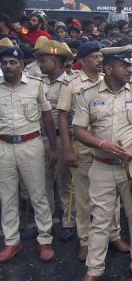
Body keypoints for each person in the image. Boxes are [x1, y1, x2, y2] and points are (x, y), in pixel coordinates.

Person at [71, 46, 132, 281]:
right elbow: (78, 129)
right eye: (124, 65)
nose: (130, 69)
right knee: (99, 218)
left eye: (130, 65)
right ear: (109, 69)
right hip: (101, 165)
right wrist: (101, 144)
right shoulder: (88, 94)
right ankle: (94, 270)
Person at [58, 40, 128, 261]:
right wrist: (67, 149)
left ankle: (114, 234)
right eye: (94, 57)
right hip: (84, 147)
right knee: (84, 196)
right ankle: (86, 241)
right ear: (82, 60)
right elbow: (63, 117)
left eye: (100, 57)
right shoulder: (72, 84)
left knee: (112, 193)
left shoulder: (108, 80)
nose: (99, 61)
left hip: (109, 148)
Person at [0, 46, 58, 262]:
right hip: (4, 146)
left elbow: (47, 117)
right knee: (7, 197)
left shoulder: (35, 85)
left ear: (22, 64)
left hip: (31, 143)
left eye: (13, 62)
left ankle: (45, 239)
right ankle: (12, 242)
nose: (8, 66)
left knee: (38, 194)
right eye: (4, 63)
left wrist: (53, 148)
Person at [36, 40, 74, 240]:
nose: (41, 64)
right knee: (43, 182)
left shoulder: (70, 84)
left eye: (45, 60)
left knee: (64, 181)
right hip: (41, 137)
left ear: (57, 62)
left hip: (61, 138)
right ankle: (47, 220)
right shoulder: (39, 82)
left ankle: (68, 220)